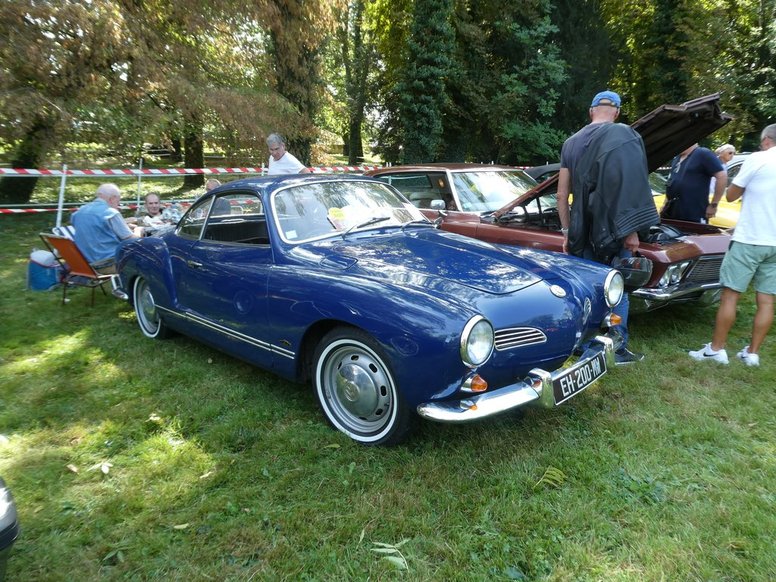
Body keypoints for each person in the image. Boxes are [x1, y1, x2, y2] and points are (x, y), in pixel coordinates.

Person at [557, 90, 660, 365]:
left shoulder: (570, 143)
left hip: (581, 228)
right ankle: (618, 347)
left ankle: (585, 343)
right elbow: (627, 188)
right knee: (618, 287)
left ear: (591, 111)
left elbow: (561, 194)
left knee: (586, 287)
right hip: (614, 229)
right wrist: (632, 231)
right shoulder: (622, 135)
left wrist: (567, 232)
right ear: (616, 111)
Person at [689, 124, 776, 366]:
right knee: (767, 300)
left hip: (749, 238)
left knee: (730, 296)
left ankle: (716, 350)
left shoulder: (758, 159)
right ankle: (753, 353)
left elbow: (731, 195)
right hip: (775, 244)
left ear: (767, 140)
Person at [72, 183, 141, 273]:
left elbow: (94, 231)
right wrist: (139, 230)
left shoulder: (79, 212)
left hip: (86, 263)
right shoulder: (110, 213)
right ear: (112, 199)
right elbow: (132, 240)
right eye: (118, 201)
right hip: (110, 263)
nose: (118, 205)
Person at [662, 143, 727, 223]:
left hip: (693, 214)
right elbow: (671, 182)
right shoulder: (677, 158)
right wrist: (664, 204)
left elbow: (722, 176)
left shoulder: (703, 154)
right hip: (672, 213)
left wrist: (714, 204)